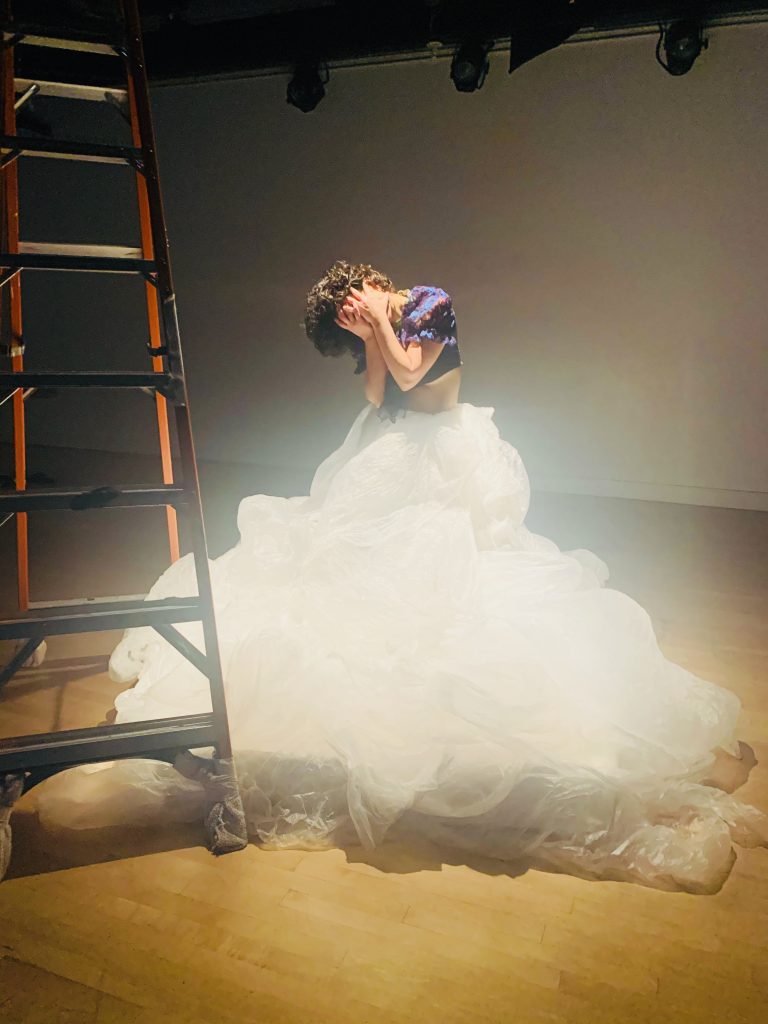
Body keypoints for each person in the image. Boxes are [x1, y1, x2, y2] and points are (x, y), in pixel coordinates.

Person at [36, 260, 767, 893]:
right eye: (350, 320)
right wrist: (367, 343)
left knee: (431, 585)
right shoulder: (387, 327)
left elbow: (421, 373)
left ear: (373, 286)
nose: (364, 320)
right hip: (393, 451)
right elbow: (382, 395)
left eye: (357, 307)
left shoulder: (428, 300)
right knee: (324, 558)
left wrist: (379, 328)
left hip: (442, 458)